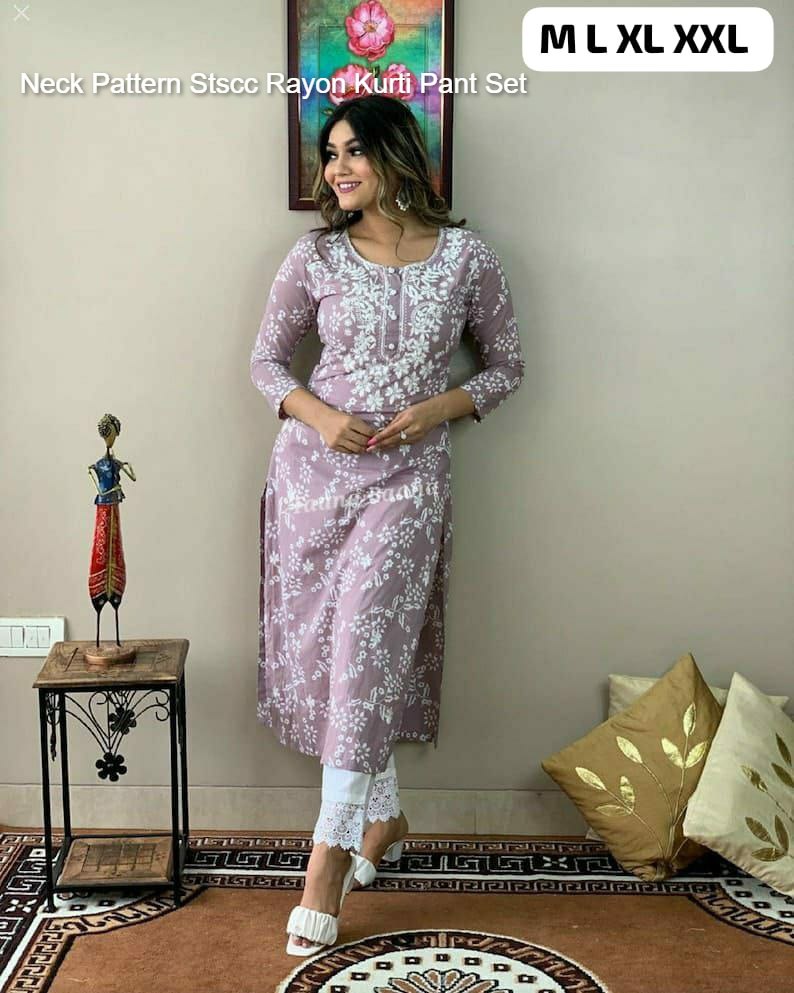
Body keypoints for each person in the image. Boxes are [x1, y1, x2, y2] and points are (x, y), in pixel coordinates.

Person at [250, 94, 525, 955]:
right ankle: (385, 816)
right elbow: (266, 363)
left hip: (409, 480)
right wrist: (322, 416)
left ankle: (326, 860)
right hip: (312, 479)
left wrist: (440, 406)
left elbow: (507, 365)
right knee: (341, 657)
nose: (336, 169)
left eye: (352, 152)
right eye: (329, 154)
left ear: (396, 153)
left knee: (369, 639)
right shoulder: (315, 256)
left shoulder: (469, 258)